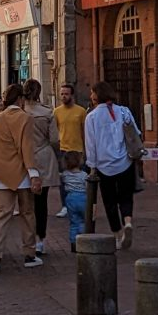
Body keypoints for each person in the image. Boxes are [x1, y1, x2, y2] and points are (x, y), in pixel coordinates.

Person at [0, 84, 42, 273]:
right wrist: (34, 173)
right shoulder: (25, 119)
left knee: (0, 213)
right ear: (20, 99)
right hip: (22, 173)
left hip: (0, 174)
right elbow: (27, 148)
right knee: (27, 213)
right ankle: (29, 254)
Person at [84, 81, 140, 251]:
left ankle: (117, 234)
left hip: (104, 165)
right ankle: (128, 222)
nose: (91, 96)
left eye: (92, 93)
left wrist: (92, 166)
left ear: (97, 95)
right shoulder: (124, 111)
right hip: (125, 162)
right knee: (126, 196)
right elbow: (135, 133)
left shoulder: (91, 117)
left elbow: (90, 144)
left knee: (109, 201)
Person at [22, 79, 59, 255]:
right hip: (43, 155)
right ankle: (40, 239)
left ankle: (27, 238)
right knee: (41, 202)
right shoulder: (47, 112)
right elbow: (54, 139)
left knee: (25, 201)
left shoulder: (20, 112)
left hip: (24, 157)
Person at [53, 83, 87, 219]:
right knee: (63, 180)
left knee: (81, 180)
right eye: (61, 94)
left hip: (78, 150)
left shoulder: (81, 111)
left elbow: (84, 132)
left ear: (72, 95)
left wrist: (85, 150)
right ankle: (65, 206)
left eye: (66, 94)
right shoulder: (56, 112)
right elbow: (54, 132)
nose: (63, 96)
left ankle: (83, 205)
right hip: (63, 150)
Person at [61, 151, 88, 252]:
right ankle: (82, 240)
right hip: (82, 197)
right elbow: (87, 187)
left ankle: (73, 242)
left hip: (70, 198)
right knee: (83, 220)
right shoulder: (84, 175)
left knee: (73, 221)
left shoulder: (65, 174)